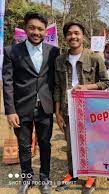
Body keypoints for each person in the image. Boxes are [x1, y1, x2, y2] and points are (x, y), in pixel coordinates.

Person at [2, 12, 59, 194]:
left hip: (45, 107)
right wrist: (10, 110)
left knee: (45, 144)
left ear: (45, 31)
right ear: (26, 28)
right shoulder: (12, 51)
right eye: (32, 28)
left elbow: (56, 81)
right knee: (24, 146)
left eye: (40, 29)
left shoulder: (54, 52)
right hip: (21, 108)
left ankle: (45, 179)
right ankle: (27, 179)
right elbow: (8, 82)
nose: (36, 32)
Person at [54, 21, 109, 194]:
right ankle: (73, 173)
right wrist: (57, 113)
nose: (73, 36)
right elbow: (57, 86)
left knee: (90, 142)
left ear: (83, 36)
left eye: (77, 33)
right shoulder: (60, 60)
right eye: (69, 33)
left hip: (89, 108)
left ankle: (91, 176)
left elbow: (105, 82)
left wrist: (87, 87)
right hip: (67, 107)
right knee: (71, 143)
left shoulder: (94, 58)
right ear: (65, 38)